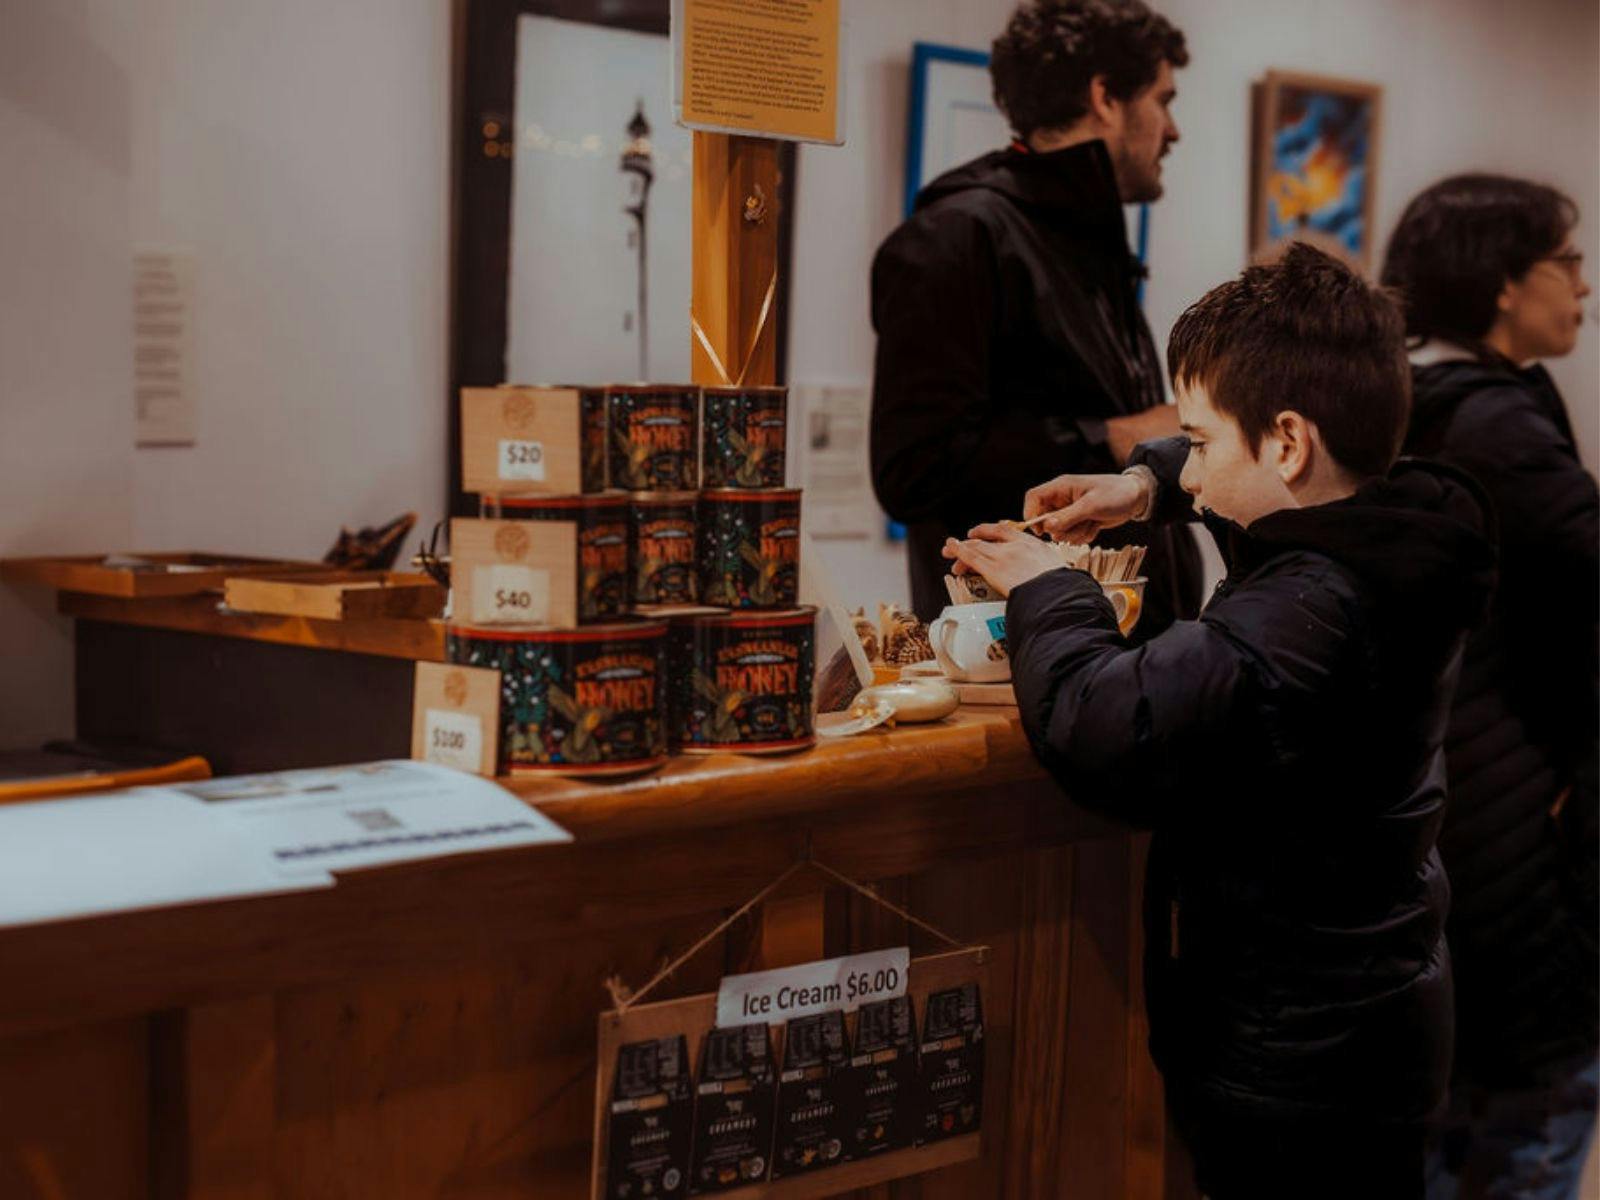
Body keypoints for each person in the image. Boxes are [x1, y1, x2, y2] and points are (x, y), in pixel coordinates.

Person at [945, 244, 1496, 1199]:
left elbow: (1106, 724)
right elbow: (1265, 509)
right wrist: (1146, 485)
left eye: (1199, 442)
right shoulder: (1394, 514)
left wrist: (1050, 591)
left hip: (1306, 1063)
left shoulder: (1308, 612)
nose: (1194, 479)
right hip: (1356, 1026)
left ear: (1287, 440)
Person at [1382, 175, 1598, 1200]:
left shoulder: (1408, 407)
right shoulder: (1498, 431)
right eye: (1568, 261)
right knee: (1528, 1125)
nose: (1584, 284)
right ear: (1505, 286)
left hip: (1447, 810)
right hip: (1519, 827)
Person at [869, 0, 1201, 633]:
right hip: (1021, 667)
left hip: (1128, 662)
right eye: (1165, 100)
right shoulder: (955, 237)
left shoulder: (1087, 240)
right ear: (1105, 96)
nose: (1173, 129)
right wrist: (1110, 436)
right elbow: (912, 471)